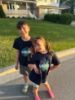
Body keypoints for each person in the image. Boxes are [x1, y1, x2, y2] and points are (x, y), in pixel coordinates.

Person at [13, 20, 32, 93]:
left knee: (33, 74)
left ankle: (34, 83)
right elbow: (18, 52)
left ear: (29, 28)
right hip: (22, 62)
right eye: (20, 29)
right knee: (24, 74)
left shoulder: (33, 40)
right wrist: (16, 63)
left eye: (24, 28)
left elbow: (36, 52)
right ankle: (26, 84)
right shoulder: (17, 41)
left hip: (31, 63)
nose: (22, 30)